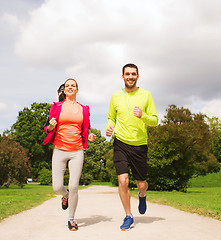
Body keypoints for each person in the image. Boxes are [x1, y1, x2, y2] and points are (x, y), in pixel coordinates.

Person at [105, 63, 158, 231]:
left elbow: (155, 120)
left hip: (139, 145)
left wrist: (143, 116)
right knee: (123, 180)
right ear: (122, 77)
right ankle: (128, 215)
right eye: (127, 74)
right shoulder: (115, 97)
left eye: (133, 74)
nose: (130, 77)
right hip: (120, 142)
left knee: (141, 183)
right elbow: (111, 117)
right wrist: (109, 127)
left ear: (138, 76)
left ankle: (142, 195)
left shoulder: (146, 95)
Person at [42, 78, 96, 231]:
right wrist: (51, 127)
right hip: (59, 149)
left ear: (77, 90)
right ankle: (64, 196)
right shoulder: (56, 107)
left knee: (74, 186)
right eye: (67, 86)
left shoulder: (83, 109)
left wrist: (90, 136)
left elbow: (87, 129)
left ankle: (71, 219)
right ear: (64, 90)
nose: (70, 87)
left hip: (77, 150)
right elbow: (47, 128)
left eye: (73, 85)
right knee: (57, 186)